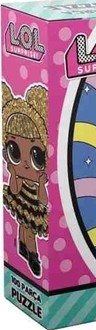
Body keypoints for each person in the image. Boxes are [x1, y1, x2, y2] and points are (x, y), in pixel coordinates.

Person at [3, 82, 48, 277]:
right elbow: (14, 190)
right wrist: (14, 173)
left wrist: (41, 183)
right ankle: (33, 255)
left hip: (33, 202)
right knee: (26, 226)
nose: (26, 164)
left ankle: (23, 246)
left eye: (36, 155)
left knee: (26, 225)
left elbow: (43, 200)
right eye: (14, 151)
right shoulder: (19, 173)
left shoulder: (37, 177)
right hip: (22, 199)